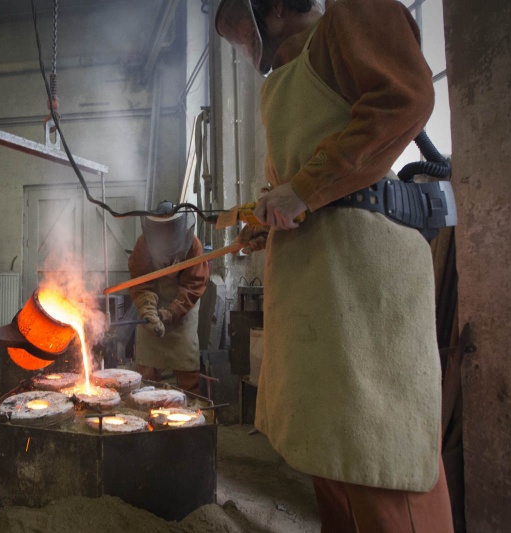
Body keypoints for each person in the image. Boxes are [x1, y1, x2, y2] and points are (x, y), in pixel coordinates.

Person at [215, 0, 454, 531]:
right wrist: (269, 215)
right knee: (333, 454)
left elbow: (406, 98)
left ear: (274, 8)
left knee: (380, 458)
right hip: (315, 279)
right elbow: (298, 174)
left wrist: (301, 190)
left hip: (360, 276)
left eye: (241, 33)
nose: (248, 48)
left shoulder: (353, 14)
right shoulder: (284, 80)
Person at [128, 209, 209, 394]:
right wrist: (148, 310)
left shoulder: (192, 245)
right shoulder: (144, 243)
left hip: (183, 307)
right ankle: (148, 410)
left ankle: (191, 412)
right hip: (152, 304)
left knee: (187, 366)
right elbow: (140, 281)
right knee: (146, 368)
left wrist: (171, 312)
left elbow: (193, 285)